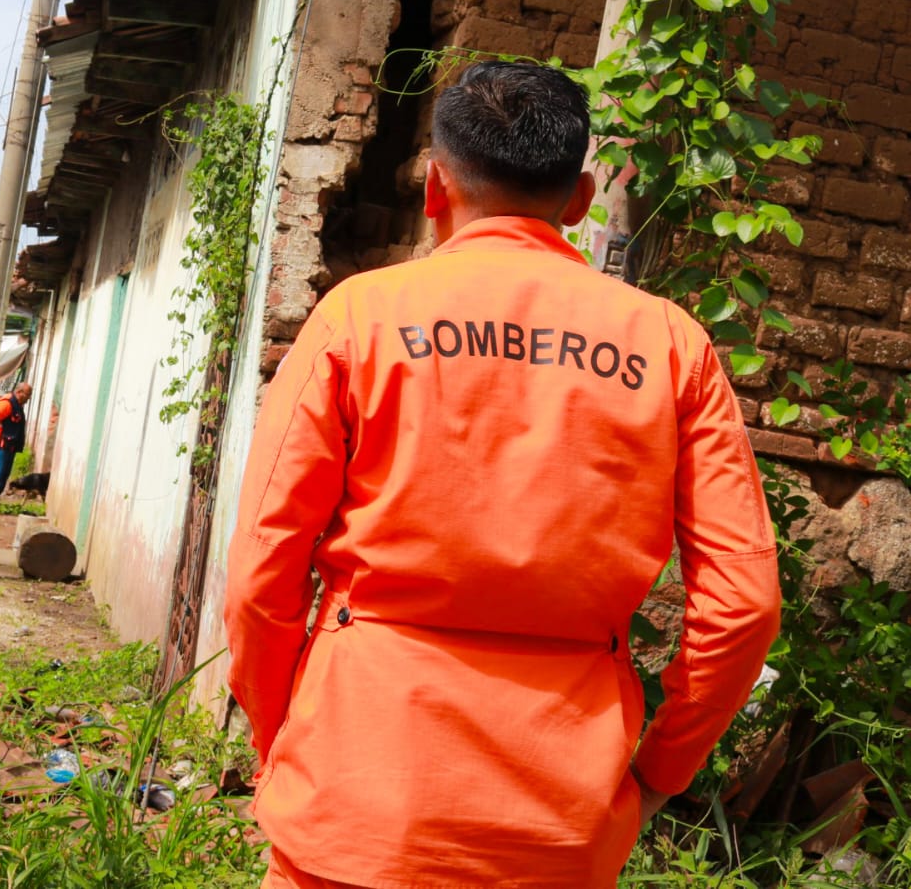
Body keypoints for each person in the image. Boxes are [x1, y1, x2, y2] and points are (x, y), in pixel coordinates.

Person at [224, 62, 781, 889]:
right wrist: (661, 771)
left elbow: (260, 574)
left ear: (434, 189)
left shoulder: (359, 318)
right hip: (558, 820)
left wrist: (286, 738)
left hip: (354, 795)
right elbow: (743, 606)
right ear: (581, 198)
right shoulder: (670, 346)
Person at [0, 381, 32, 502]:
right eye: (27, 395)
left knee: (3, 474)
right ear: (19, 392)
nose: (28, 398)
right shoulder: (7, 403)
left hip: (8, 446)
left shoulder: (17, 405)